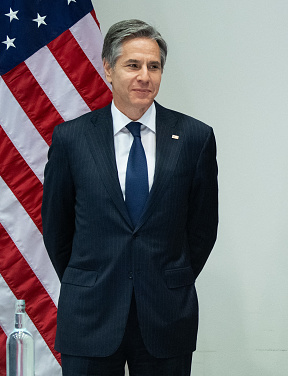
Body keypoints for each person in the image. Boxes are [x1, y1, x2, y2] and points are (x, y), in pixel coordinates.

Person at [41, 19, 218, 375]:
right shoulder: (71, 140)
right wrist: (93, 278)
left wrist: (165, 276)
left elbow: (202, 229)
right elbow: (56, 229)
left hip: (166, 316)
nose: (145, 76)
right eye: (133, 65)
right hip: (90, 314)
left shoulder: (195, 137)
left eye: (154, 66)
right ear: (108, 68)